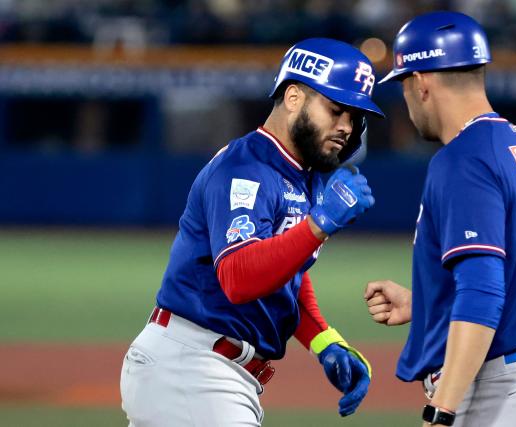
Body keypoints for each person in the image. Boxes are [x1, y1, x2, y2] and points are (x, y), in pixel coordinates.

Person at [120, 38, 385, 427]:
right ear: (293, 97)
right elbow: (239, 277)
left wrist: (322, 340)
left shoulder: (302, 174)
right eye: (336, 109)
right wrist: (319, 224)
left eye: (356, 116)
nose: (347, 126)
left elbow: (286, 274)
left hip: (211, 374)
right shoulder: (245, 170)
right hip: (191, 367)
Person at [364, 11, 516, 427]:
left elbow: (482, 293)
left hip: (500, 395)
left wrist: (440, 411)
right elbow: (512, 277)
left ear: (422, 83)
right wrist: (429, 303)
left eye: (404, 85)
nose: (405, 99)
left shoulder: (464, 159)